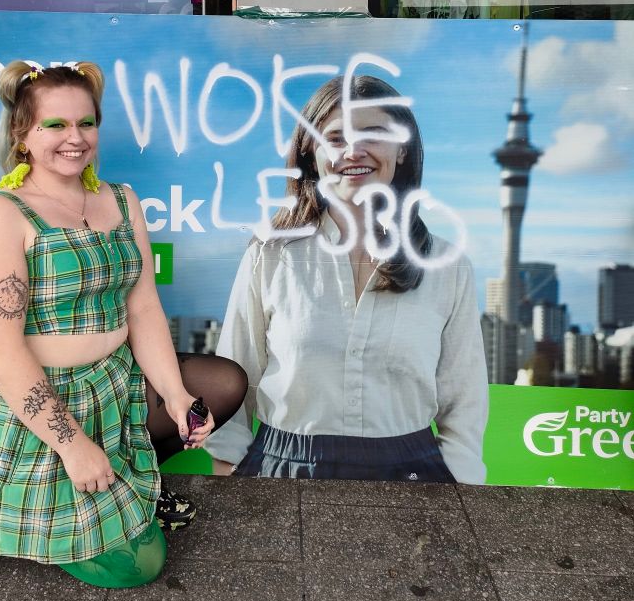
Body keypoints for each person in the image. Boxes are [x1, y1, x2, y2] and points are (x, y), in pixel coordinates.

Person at [0, 60, 247, 586]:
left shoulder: (121, 199)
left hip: (111, 386)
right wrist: (71, 444)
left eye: (86, 123)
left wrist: (176, 395)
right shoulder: (2, 214)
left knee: (221, 383)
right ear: (23, 135)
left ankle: (134, 485)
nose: (75, 138)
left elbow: (142, 309)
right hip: (33, 404)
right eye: (55, 125)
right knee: (137, 568)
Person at [205, 74, 488, 484]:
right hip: (282, 472)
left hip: (414, 478)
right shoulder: (270, 255)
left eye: (373, 133)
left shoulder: (447, 264)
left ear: (403, 148)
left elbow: (464, 404)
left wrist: (457, 494)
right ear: (311, 154)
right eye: (335, 138)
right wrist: (229, 474)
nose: (354, 151)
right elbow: (232, 380)